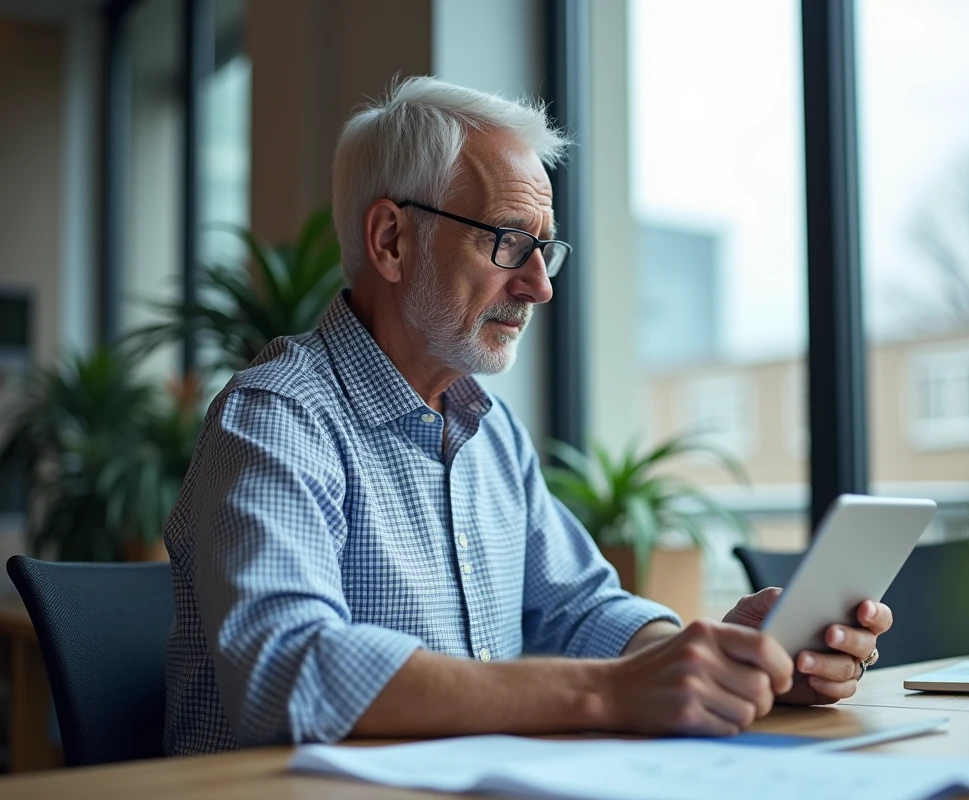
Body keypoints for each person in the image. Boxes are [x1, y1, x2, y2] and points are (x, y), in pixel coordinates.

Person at [162, 76, 891, 755]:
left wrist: (716, 663)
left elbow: (580, 610)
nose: (539, 286)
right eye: (509, 240)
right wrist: (608, 693)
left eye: (545, 249)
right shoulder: (278, 416)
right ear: (392, 240)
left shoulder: (488, 429)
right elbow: (285, 669)